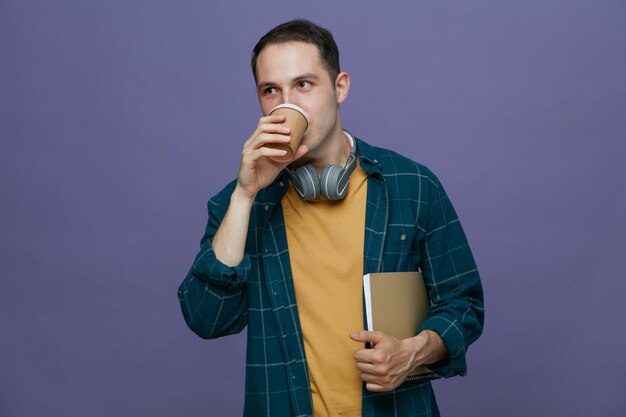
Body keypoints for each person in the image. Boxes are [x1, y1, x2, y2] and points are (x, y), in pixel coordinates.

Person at [178, 19, 484, 417]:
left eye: (304, 85)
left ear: (340, 87)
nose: (287, 105)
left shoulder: (413, 185)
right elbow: (207, 319)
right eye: (272, 90)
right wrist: (244, 194)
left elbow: (464, 304)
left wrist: (414, 351)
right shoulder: (240, 203)